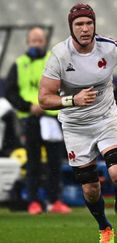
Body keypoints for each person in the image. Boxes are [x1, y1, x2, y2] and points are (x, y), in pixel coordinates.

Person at [38, 3, 117, 242]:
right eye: (79, 24)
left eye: (89, 23)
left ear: (94, 25)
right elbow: (44, 99)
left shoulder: (108, 48)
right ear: (71, 28)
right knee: (90, 189)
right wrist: (72, 100)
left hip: (106, 119)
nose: (85, 29)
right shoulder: (59, 55)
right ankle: (104, 226)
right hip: (76, 127)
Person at [5, 27, 71, 215]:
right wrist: (28, 106)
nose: (36, 44)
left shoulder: (54, 60)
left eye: (39, 40)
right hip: (31, 120)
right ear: (28, 42)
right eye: (33, 40)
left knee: (54, 163)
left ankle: (54, 201)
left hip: (52, 119)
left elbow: (65, 84)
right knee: (33, 162)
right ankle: (33, 202)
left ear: (45, 41)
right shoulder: (19, 64)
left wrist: (52, 103)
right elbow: (11, 92)